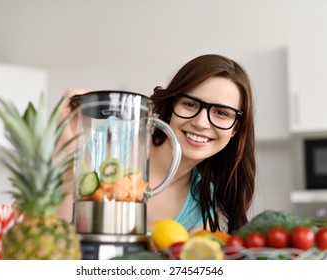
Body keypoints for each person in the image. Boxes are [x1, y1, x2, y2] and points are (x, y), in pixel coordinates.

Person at [57, 54, 256, 235]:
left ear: (235, 129)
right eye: (190, 104)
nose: (201, 123)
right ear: (172, 106)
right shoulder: (113, 137)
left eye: (221, 113)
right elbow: (57, 232)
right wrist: (66, 149)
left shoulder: (206, 206)